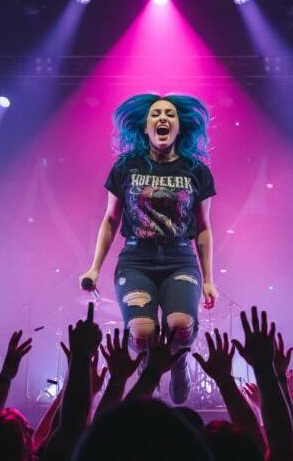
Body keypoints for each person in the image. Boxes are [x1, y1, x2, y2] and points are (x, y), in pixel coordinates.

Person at [79, 93, 219, 404]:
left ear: (179, 127)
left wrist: (209, 279)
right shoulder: (126, 166)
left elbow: (205, 228)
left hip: (180, 258)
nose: (163, 118)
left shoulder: (196, 170)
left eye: (170, 114)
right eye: (156, 114)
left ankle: (180, 361)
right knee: (142, 332)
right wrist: (94, 267)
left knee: (180, 325)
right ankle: (147, 366)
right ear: (145, 127)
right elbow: (111, 219)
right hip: (136, 260)